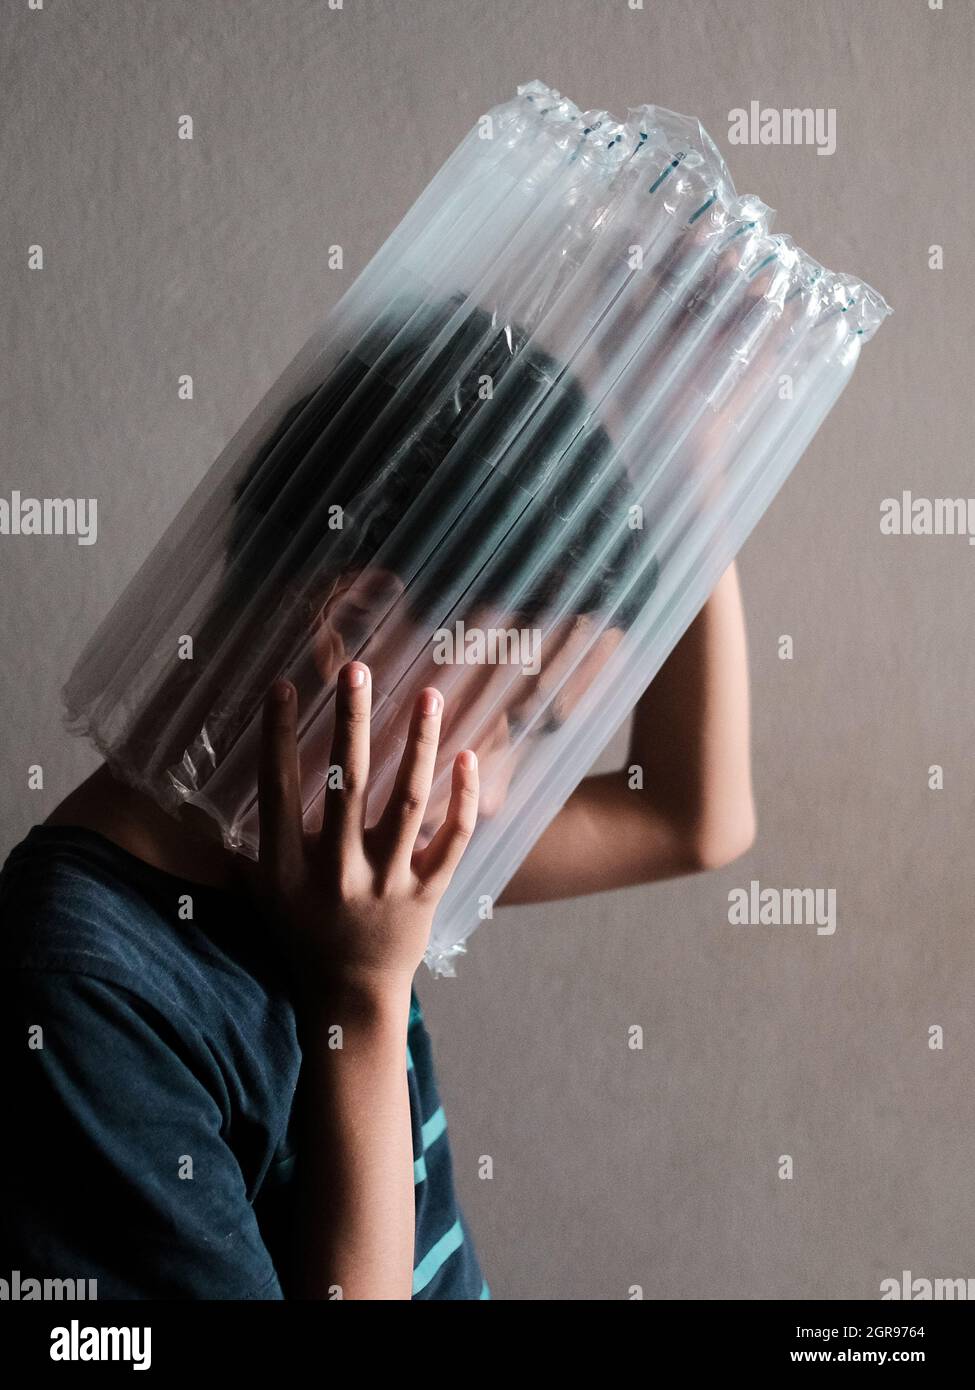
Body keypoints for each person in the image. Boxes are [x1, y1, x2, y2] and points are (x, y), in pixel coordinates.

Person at [0, 295, 756, 1300]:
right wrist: (361, 1003)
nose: (499, 801)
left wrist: (684, 455)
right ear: (355, 622)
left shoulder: (337, 849)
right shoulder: (83, 992)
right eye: (521, 715)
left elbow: (692, 819)